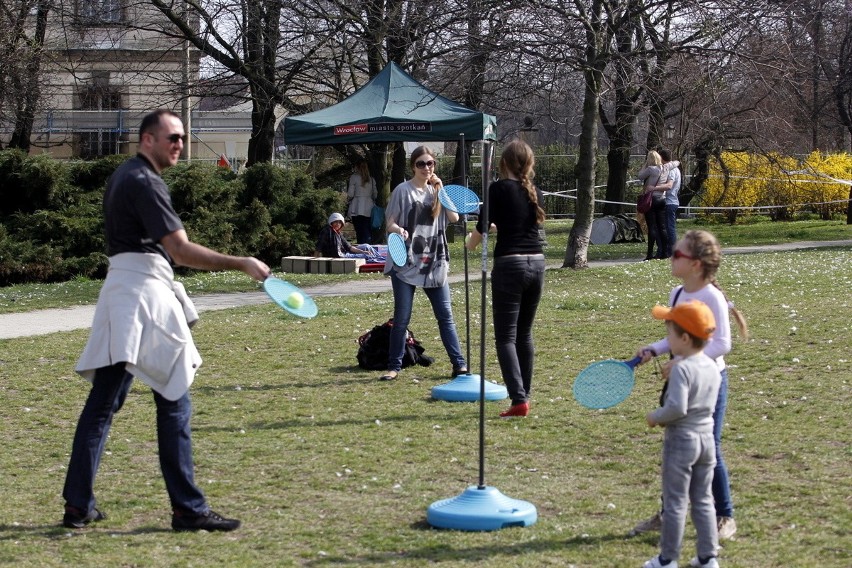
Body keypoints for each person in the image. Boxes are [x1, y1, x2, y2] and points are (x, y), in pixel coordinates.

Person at [63, 109, 271, 532]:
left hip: (124, 294)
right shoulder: (145, 181)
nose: (179, 143)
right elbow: (179, 250)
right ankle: (188, 510)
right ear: (147, 140)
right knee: (174, 399)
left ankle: (78, 504)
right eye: (171, 136)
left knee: (103, 406)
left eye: (182, 136)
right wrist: (241, 262)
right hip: (143, 297)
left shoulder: (125, 175)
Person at [632, 230, 749, 542]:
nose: (672, 258)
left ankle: (725, 516)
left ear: (696, 264)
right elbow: (675, 336)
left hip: (709, 383)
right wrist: (655, 350)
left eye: (677, 255)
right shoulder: (676, 293)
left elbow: (722, 344)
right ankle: (669, 514)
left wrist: (683, 363)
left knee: (708, 447)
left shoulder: (712, 297)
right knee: (676, 451)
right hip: (679, 379)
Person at [466, 139, 545, 418]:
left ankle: (519, 398)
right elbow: (520, 223)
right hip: (537, 264)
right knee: (524, 334)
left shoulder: (497, 188)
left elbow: (480, 230)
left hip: (510, 266)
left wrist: (469, 243)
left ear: (504, 163)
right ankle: (524, 395)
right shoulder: (535, 191)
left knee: (505, 337)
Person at [642, 300, 723, 568]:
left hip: (682, 442)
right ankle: (707, 557)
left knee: (675, 503)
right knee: (703, 499)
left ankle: (667, 559)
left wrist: (656, 416)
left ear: (685, 338)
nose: (668, 340)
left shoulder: (682, 369)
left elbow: (677, 407)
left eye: (670, 335)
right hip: (707, 440)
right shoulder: (713, 366)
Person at [380, 145, 467, 381]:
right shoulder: (402, 191)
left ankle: (459, 365)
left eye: (430, 163)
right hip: (405, 261)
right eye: (421, 164)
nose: (426, 168)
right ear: (413, 166)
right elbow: (389, 223)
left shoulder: (437, 192)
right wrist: (399, 230)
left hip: (434, 262)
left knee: (445, 316)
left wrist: (440, 189)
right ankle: (394, 367)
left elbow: (454, 217)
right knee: (402, 318)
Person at [637, 151, 676, 260]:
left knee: (652, 227)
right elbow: (676, 163)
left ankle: (649, 254)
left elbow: (640, 175)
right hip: (662, 199)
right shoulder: (666, 168)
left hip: (651, 199)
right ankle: (664, 252)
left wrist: (645, 164)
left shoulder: (651, 169)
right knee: (662, 227)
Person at [347, 160, 377, 244]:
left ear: (357, 167)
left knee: (359, 230)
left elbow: (350, 193)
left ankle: (361, 247)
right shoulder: (371, 179)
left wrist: (348, 199)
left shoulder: (354, 177)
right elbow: (375, 194)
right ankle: (368, 246)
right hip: (368, 206)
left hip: (356, 206)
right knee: (367, 229)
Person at [659, 149, 682, 258]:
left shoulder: (671, 170)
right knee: (668, 227)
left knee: (669, 227)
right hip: (672, 201)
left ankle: (672, 251)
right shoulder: (675, 168)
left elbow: (669, 185)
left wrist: (654, 188)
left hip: (670, 201)